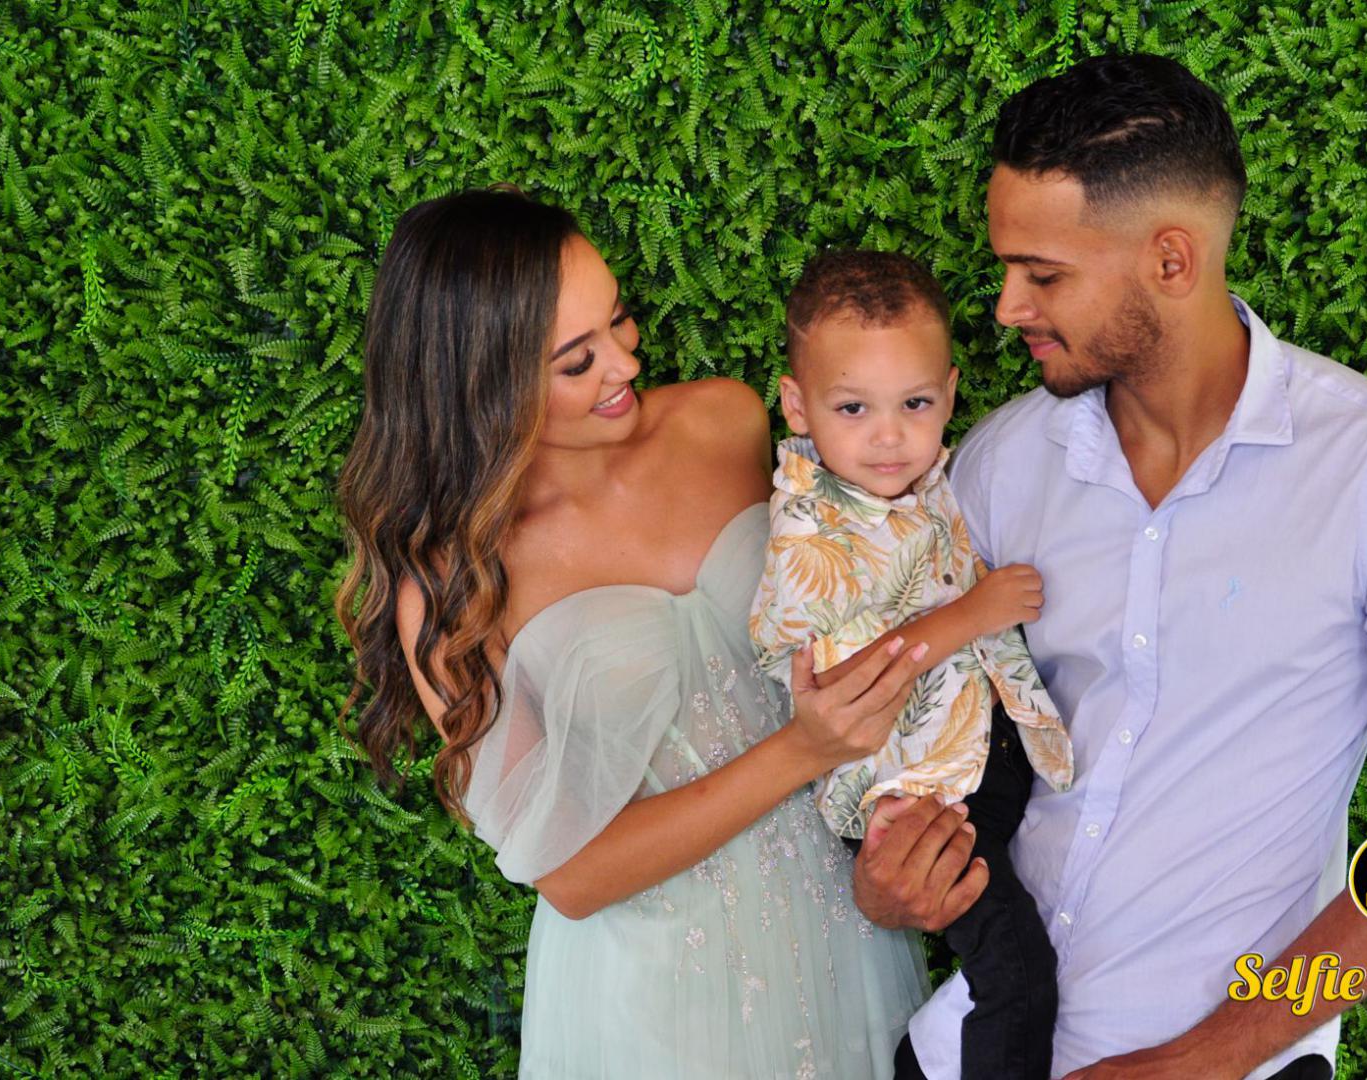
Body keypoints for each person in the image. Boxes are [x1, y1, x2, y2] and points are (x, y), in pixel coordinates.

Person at [852, 54, 1367, 1080]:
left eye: (1042, 275)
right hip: (956, 1054)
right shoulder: (998, 464)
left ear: (1170, 260)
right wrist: (887, 876)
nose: (1006, 307)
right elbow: (938, 739)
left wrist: (1194, 1063)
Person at [333, 184, 934, 1078]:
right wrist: (802, 752)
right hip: (654, 996)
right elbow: (572, 877)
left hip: (846, 925)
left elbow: (867, 589)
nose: (623, 363)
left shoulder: (725, 421)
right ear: (478, 383)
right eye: (576, 361)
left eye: (617, 320)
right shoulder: (451, 583)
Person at [749, 249, 1075, 1079]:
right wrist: (973, 612)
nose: (888, 434)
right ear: (797, 405)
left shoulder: (931, 484)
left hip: (981, 762)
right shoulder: (808, 528)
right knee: (1015, 975)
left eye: (915, 403)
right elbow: (839, 684)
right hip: (915, 805)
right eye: (852, 407)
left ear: (950, 395)